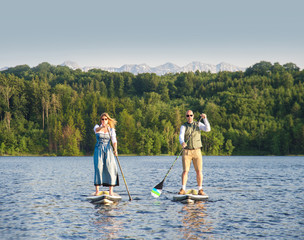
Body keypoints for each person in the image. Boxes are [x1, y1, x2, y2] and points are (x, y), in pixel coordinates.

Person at [178, 110, 211, 195]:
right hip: (187, 152)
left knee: (199, 171)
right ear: (186, 117)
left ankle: (200, 190)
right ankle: (183, 189)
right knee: (185, 171)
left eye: (191, 115)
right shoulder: (183, 126)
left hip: (197, 151)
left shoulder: (198, 124)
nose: (189, 117)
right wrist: (182, 142)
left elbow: (208, 129)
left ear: (193, 116)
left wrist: (205, 119)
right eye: (187, 116)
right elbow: (181, 136)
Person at [93, 112, 119, 196]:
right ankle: (97, 190)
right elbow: (96, 130)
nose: (104, 121)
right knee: (98, 167)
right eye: (102, 119)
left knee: (110, 167)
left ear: (108, 120)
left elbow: (114, 141)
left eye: (105, 119)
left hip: (108, 150)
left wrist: (115, 150)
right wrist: (102, 127)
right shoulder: (97, 127)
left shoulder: (111, 130)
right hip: (99, 149)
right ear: (100, 120)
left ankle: (110, 191)